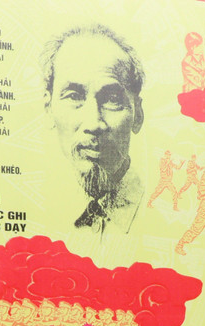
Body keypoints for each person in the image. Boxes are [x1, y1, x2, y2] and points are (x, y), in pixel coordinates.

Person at [42, 24, 145, 235]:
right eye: (73, 96)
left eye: (113, 100)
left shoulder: (165, 213)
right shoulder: (42, 215)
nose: (93, 123)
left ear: (138, 115)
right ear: (49, 109)